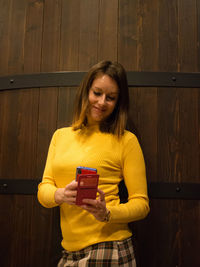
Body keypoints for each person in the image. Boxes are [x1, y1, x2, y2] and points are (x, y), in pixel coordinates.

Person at [37, 60, 150, 266]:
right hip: (69, 252)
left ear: (118, 103)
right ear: (85, 91)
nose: (101, 102)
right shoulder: (60, 136)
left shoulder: (126, 140)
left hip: (110, 247)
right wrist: (59, 194)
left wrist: (107, 213)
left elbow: (142, 204)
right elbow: (44, 189)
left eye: (111, 97)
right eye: (97, 93)